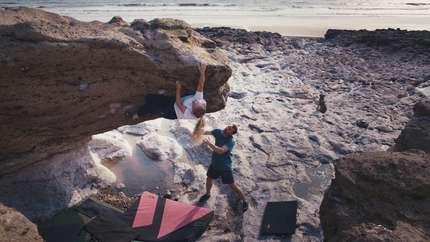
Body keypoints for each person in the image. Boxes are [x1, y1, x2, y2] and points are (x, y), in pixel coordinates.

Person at [125, 61, 207, 122]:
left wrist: (178, 88)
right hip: (172, 103)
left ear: (192, 110)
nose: (195, 102)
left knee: (148, 106)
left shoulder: (190, 114)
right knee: (149, 97)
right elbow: (201, 85)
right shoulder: (199, 99)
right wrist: (202, 71)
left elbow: (179, 104)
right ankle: (151, 111)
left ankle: (134, 117)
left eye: (194, 104)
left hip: (172, 112)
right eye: (196, 102)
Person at [199, 124, 249, 213]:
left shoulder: (231, 141)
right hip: (215, 164)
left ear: (231, 134)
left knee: (232, 186)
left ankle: (245, 201)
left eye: (229, 129)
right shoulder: (218, 131)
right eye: (228, 127)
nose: (227, 128)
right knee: (209, 179)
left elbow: (221, 151)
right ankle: (207, 194)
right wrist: (197, 130)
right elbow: (206, 132)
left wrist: (210, 144)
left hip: (225, 166)